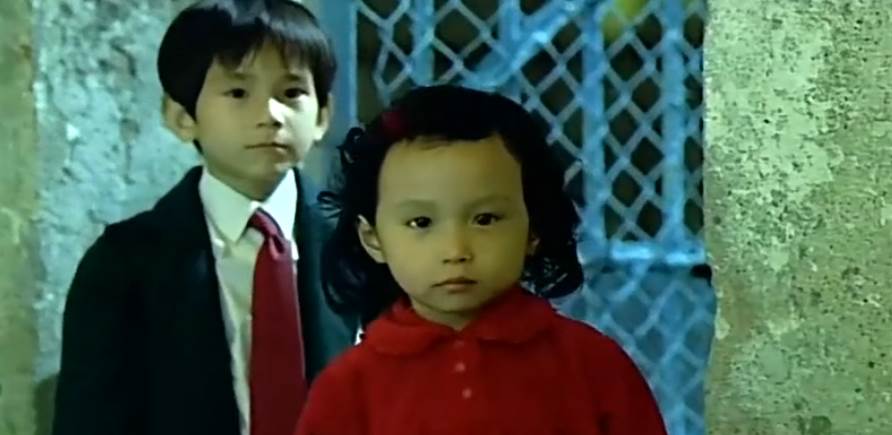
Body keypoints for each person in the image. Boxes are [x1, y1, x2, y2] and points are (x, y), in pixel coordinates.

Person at [52, 2, 357, 435]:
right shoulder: (126, 264)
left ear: (323, 115)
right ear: (182, 117)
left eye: (291, 93)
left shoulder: (360, 245)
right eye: (238, 93)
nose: (270, 115)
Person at [295, 84, 667, 435]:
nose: (455, 250)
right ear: (372, 238)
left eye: (485, 219)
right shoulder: (348, 387)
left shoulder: (593, 366)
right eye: (421, 222)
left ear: (534, 228)